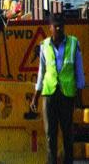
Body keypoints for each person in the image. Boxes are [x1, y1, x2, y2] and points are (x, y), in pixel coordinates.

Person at [30, 13, 85, 164]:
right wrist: (36, 96)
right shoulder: (44, 46)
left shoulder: (73, 44)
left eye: (61, 25)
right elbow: (41, 73)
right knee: (50, 135)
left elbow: (79, 71)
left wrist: (79, 97)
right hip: (49, 95)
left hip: (67, 95)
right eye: (56, 26)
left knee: (68, 134)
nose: (59, 28)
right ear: (50, 28)